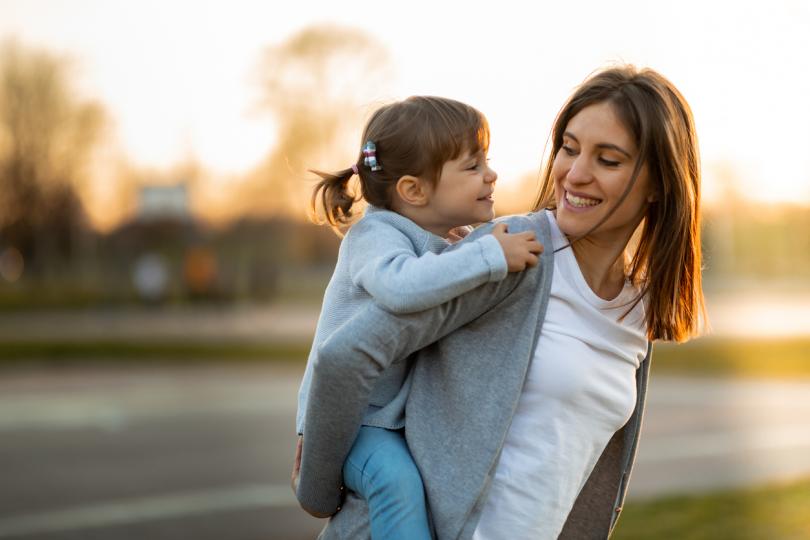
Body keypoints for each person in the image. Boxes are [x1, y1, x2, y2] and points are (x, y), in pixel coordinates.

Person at [294, 65, 705, 540]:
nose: (575, 173)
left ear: (659, 183)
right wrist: (317, 489)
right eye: (568, 149)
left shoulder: (637, 305)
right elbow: (346, 355)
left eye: (607, 160)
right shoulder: (509, 253)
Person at [294, 96, 543, 539]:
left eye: (487, 160)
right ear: (413, 191)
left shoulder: (449, 240)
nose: (491, 174)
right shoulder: (375, 234)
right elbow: (401, 288)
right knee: (397, 483)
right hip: (352, 424)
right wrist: (488, 255)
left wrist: (474, 248)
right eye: (472, 166)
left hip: (389, 419)